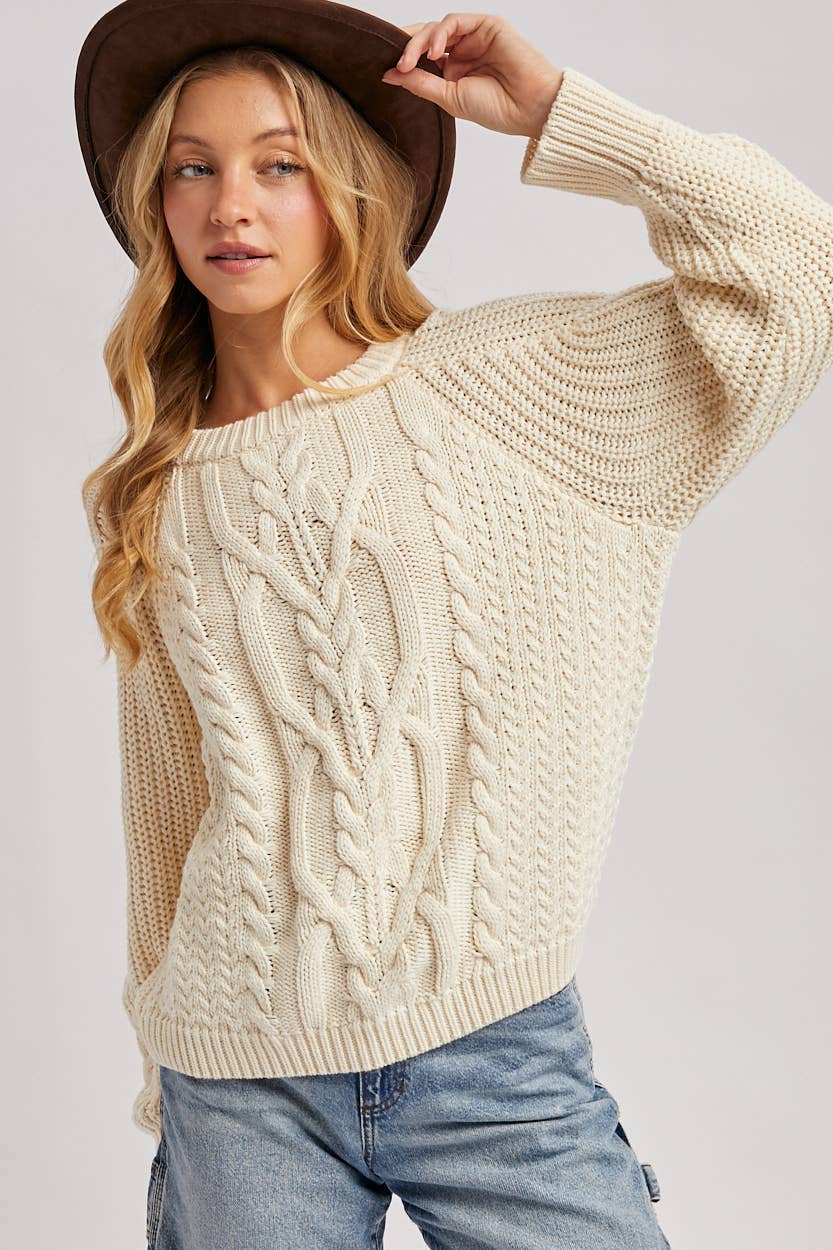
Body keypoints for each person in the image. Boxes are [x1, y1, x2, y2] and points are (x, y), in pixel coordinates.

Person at [75, 3, 833, 1247]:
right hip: (238, 1075)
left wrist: (556, 114)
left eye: (279, 164)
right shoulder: (157, 481)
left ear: (347, 188)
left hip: (494, 1058)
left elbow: (798, 267)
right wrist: (168, 1069)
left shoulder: (513, 388)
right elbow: (169, 799)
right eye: (191, 169)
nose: (231, 206)